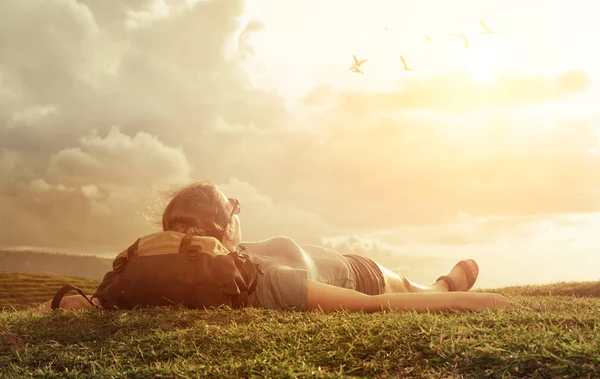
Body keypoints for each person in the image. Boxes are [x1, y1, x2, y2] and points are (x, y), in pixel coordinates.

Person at [38, 182, 514, 312]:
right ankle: (441, 281)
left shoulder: (148, 271)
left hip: (324, 263)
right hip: (355, 272)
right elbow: (375, 306)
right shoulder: (253, 277)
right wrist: (478, 300)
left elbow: (88, 302)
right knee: (414, 288)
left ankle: (440, 281)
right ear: (227, 230)